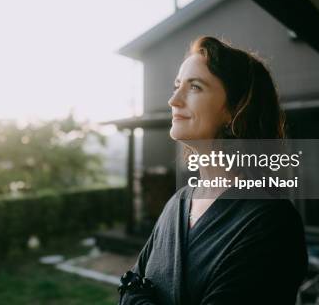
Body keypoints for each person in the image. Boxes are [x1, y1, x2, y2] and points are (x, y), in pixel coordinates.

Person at [118, 36, 308, 304]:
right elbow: (130, 286)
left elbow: (133, 292)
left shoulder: (270, 222)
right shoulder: (177, 202)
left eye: (194, 87)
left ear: (236, 109)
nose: (173, 100)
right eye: (176, 86)